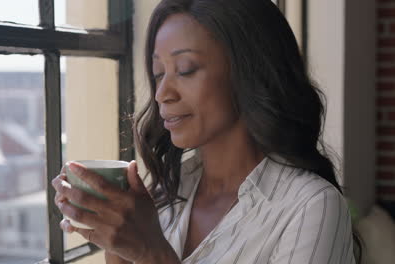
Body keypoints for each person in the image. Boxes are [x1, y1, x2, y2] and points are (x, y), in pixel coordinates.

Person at [52, 0, 361, 263]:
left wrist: (151, 252)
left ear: (250, 72)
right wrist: (117, 244)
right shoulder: (164, 196)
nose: (162, 93)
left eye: (185, 69)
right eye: (158, 73)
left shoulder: (311, 207)